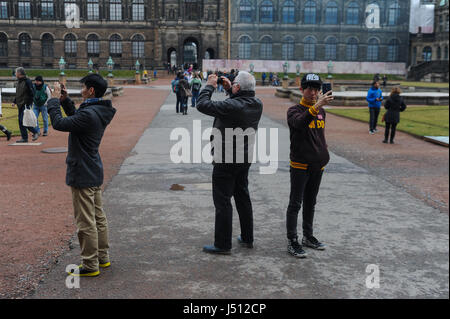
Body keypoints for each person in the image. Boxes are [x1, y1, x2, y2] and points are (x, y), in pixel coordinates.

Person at [47, 74, 116, 277]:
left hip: (83, 171)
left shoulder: (90, 114)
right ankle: (102, 258)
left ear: (91, 91)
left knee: (85, 221)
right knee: (98, 217)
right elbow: (76, 120)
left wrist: (52, 100)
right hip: (92, 169)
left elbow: (60, 124)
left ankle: (89, 264)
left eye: (84, 87)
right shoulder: (97, 110)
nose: (82, 89)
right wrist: (65, 101)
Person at [197, 71, 263, 255]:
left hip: (225, 159)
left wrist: (210, 85)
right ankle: (247, 237)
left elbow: (202, 104)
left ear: (238, 87)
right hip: (244, 158)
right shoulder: (257, 103)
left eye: (234, 83)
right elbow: (238, 102)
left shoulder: (232, 105)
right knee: (242, 197)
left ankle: (223, 244)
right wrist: (230, 89)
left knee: (223, 201)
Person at [286, 73, 333, 258]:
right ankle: (292, 240)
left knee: (310, 202)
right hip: (300, 164)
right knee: (295, 203)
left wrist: (324, 154)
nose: (313, 92)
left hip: (318, 164)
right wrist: (316, 106)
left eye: (316, 89)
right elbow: (300, 123)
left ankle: (308, 236)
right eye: (309, 88)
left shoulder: (322, 111)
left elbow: (318, 136)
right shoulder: (294, 110)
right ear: (301, 90)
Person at [11, 67, 39, 143]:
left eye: (16, 72)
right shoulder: (19, 82)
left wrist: (28, 103)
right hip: (20, 105)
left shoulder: (28, 81)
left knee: (23, 121)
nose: (15, 74)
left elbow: (32, 93)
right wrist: (14, 101)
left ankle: (34, 132)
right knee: (21, 121)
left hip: (25, 105)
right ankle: (25, 137)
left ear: (19, 73)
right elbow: (18, 94)